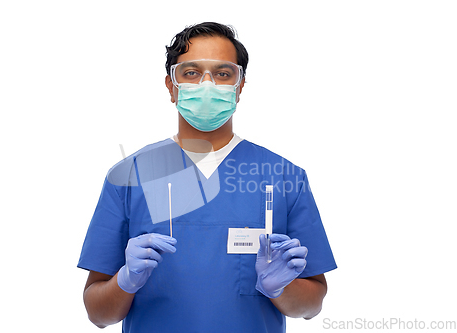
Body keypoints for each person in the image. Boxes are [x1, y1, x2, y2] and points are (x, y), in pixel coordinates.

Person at [78, 22, 337, 333]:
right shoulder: (130, 177)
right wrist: (125, 281)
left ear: (239, 87)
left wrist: (280, 288)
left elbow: (311, 307)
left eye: (223, 74)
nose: (207, 85)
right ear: (171, 86)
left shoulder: (283, 177)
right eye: (191, 73)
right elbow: (98, 314)